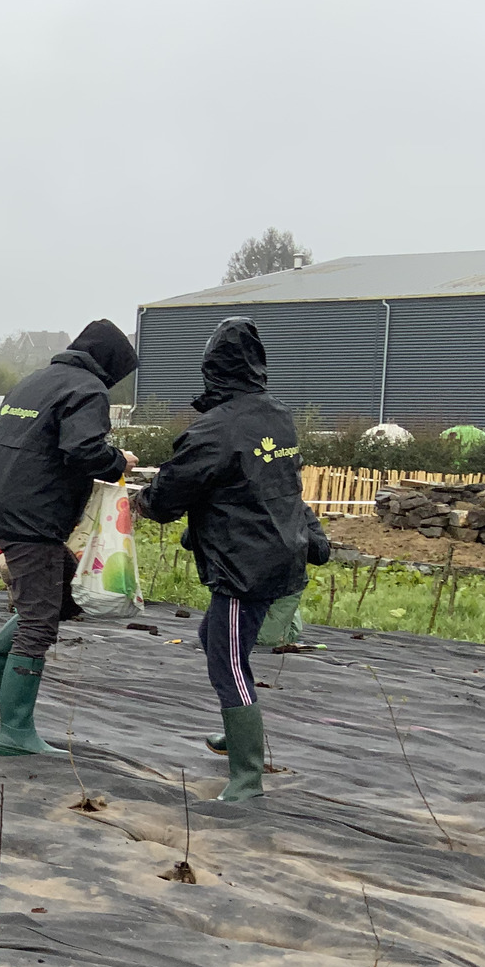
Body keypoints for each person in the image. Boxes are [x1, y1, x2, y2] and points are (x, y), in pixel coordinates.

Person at [131, 317, 332, 801]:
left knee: (228, 663)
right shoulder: (277, 416)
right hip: (280, 550)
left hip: (246, 565)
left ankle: (246, 777)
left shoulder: (214, 430)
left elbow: (167, 498)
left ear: (210, 371)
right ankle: (237, 732)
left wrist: (140, 501)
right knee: (212, 636)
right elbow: (278, 487)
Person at [0, 319, 140, 755]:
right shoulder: (87, 391)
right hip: (34, 517)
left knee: (64, 594)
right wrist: (119, 461)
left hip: (2, 506)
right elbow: (83, 451)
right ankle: (16, 731)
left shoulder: (32, 383)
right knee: (39, 620)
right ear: (111, 365)